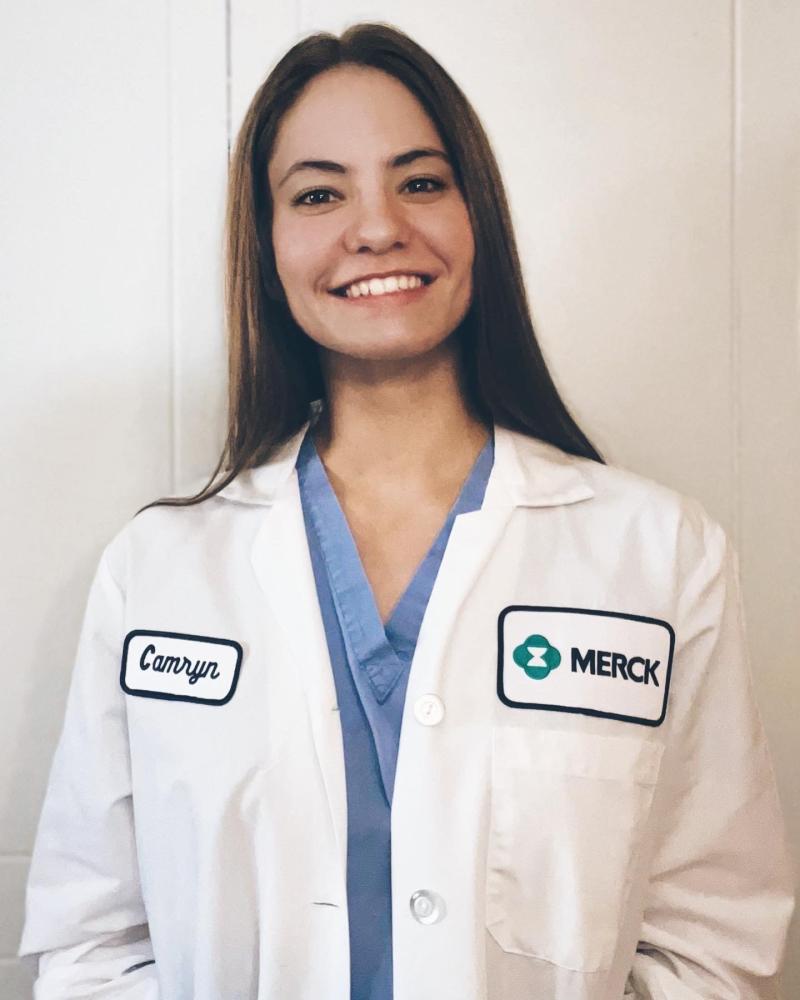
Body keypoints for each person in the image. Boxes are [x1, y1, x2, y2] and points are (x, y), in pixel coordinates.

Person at [18, 21, 795, 1000]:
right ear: (266, 245)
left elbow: (714, 952)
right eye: (317, 193)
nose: (376, 226)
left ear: (479, 218)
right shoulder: (159, 570)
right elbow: (93, 950)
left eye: (420, 181)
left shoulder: (657, 554)